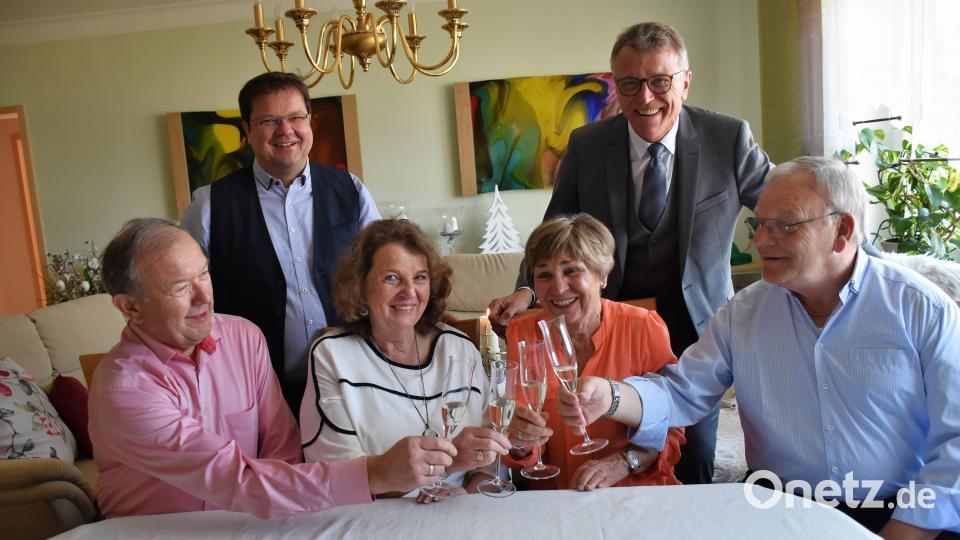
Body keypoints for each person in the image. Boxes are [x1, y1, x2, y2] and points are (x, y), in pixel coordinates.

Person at [558, 157, 960, 538]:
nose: (761, 240)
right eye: (760, 223)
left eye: (784, 225)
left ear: (843, 231)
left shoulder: (921, 308)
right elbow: (682, 392)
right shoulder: (744, 312)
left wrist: (901, 535)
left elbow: (955, 441)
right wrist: (609, 395)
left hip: (904, 513)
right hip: (780, 509)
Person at [486, 22, 772, 485]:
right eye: (630, 84)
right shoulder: (588, 145)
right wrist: (526, 290)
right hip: (615, 328)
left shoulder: (728, 137)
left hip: (697, 331)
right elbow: (553, 228)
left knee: (691, 453)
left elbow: (784, 206)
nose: (645, 98)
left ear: (684, 80)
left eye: (660, 81)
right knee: (605, 435)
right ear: (615, 86)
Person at [89, 218, 456, 518]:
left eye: (203, 275)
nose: (204, 298)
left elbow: (283, 448)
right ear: (130, 307)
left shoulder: (243, 339)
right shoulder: (124, 390)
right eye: (182, 287)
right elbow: (235, 479)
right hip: (155, 531)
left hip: (252, 523)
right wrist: (374, 473)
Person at [181, 72, 380, 412]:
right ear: (247, 130)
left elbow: (384, 271)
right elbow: (186, 294)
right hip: (253, 391)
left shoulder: (351, 189)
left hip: (354, 381)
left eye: (295, 117)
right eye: (269, 121)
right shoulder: (211, 204)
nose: (285, 130)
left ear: (309, 121)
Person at [301, 219, 510, 500]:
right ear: (360, 286)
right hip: (374, 523)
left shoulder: (458, 348)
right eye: (391, 277)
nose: (409, 292)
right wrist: (450, 465)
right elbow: (337, 481)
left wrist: (465, 496)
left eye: (420, 277)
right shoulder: (333, 356)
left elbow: (491, 462)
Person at [503, 214, 683, 491]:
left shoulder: (643, 327)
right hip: (558, 494)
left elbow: (672, 424)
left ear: (603, 274)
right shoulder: (522, 333)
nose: (559, 287)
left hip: (634, 489)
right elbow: (522, 447)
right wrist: (519, 443)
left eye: (572, 271)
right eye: (544, 275)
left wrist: (625, 462)